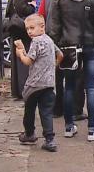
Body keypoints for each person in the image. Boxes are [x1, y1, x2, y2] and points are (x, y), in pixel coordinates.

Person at [48, 0, 94, 141]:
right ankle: (92, 129)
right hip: (90, 46)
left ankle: (69, 127)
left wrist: (54, 50)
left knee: (68, 86)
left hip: (68, 46)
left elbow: (54, 27)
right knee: (90, 87)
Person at [40, 0, 87, 120]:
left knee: (57, 75)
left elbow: (41, 13)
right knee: (76, 76)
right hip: (73, 39)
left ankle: (57, 108)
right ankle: (75, 110)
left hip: (54, 38)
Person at [14, 14, 63, 152]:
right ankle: (50, 140)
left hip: (34, 85)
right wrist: (53, 66)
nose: (29, 31)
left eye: (32, 28)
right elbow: (60, 55)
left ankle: (29, 134)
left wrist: (20, 54)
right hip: (48, 84)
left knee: (29, 111)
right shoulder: (49, 40)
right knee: (46, 112)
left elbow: (28, 61)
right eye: (27, 29)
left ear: (42, 27)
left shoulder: (36, 41)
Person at [5, 0, 37, 99]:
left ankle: (20, 88)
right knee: (23, 59)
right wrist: (32, 6)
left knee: (20, 59)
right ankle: (23, 87)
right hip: (21, 31)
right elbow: (23, 10)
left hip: (18, 31)